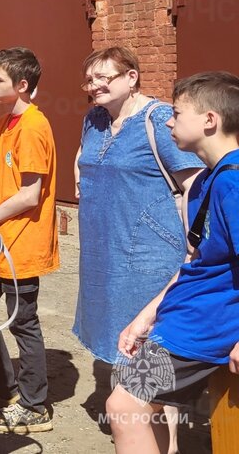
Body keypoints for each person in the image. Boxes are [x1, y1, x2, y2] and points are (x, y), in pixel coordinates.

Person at [72, 47, 202, 449]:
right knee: (120, 342)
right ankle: (133, 425)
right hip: (103, 253)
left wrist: (193, 247)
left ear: (132, 78)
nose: (94, 85)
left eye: (104, 77)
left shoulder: (159, 119)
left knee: (148, 350)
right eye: (89, 79)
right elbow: (83, 160)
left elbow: (194, 181)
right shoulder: (93, 120)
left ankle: (164, 440)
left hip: (149, 255)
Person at [106, 72, 239, 454]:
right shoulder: (204, 182)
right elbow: (196, 259)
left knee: (124, 406)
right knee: (148, 408)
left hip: (203, 325)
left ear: (210, 120)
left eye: (177, 114)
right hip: (184, 316)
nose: (168, 121)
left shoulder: (233, 183)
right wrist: (147, 314)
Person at [0, 47, 57, 433]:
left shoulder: (34, 127)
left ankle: (35, 406)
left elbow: (31, 194)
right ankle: (5, 389)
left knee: (24, 323)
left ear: (22, 85)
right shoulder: (4, 123)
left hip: (21, 244)